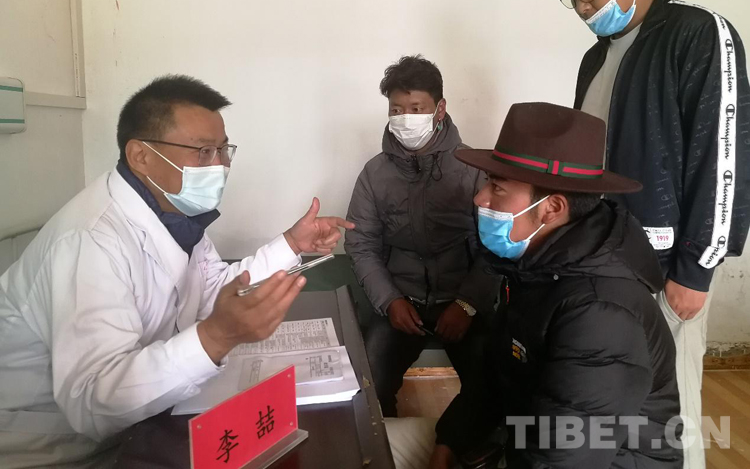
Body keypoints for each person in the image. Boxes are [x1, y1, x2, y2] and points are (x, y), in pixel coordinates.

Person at [0, 75, 353, 468]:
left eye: (223, 150)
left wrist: (291, 244)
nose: (220, 166)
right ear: (141, 156)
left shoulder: (172, 211)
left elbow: (215, 288)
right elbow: (93, 400)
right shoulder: (89, 241)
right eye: (203, 151)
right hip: (58, 451)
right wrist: (215, 337)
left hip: (139, 426)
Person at [556, 0, 750, 467]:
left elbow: (725, 155)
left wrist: (697, 267)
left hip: (668, 269)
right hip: (603, 262)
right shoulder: (597, 57)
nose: (583, 6)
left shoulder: (698, 34)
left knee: (676, 407)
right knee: (622, 401)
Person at [422, 102, 681, 469]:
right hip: (522, 444)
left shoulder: (599, 312)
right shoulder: (535, 269)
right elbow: (495, 380)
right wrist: (449, 442)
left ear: (551, 208)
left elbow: (566, 457)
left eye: (497, 188)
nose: (480, 198)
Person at [345, 55, 493, 417]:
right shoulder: (374, 174)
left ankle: (462, 442)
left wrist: (467, 304)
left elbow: (495, 247)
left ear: (440, 109)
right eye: (397, 110)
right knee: (368, 386)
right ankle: (385, 442)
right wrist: (390, 301)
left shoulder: (475, 169)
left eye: (416, 109)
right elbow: (361, 244)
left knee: (490, 384)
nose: (405, 118)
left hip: (463, 303)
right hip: (400, 302)